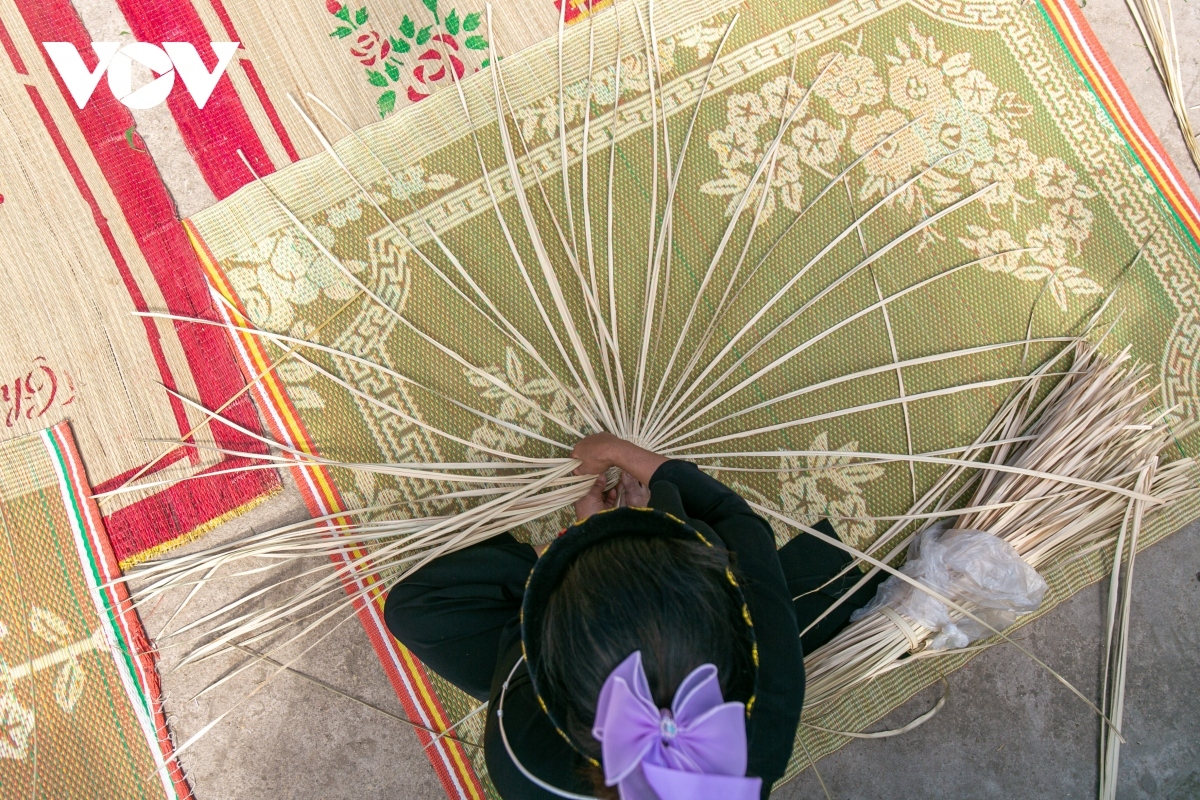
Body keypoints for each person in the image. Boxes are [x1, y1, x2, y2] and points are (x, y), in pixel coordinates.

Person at [385, 433, 885, 799]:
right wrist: (624, 459)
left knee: (416, 610)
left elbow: (531, 635)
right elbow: (737, 521)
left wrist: (574, 539)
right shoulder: (767, 694)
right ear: (733, 622)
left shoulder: (522, 753)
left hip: (543, 679)